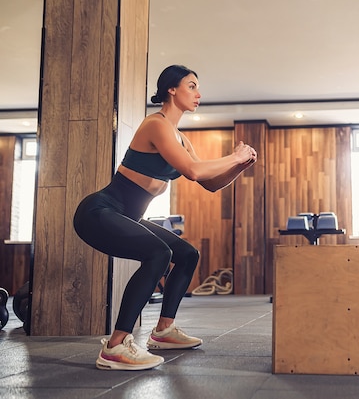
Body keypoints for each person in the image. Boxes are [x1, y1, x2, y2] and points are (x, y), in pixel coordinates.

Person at [73, 64, 257, 371]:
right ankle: (116, 346)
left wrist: (239, 166)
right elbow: (194, 170)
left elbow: (209, 183)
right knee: (159, 252)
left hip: (127, 216)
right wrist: (234, 155)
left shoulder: (183, 139)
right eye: (191, 86)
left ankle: (164, 331)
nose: (198, 93)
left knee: (187, 254)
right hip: (99, 212)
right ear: (171, 89)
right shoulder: (156, 125)